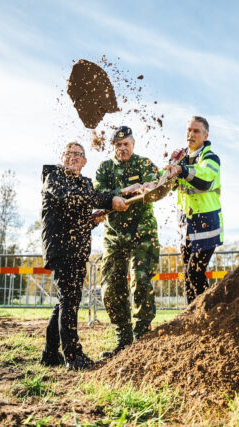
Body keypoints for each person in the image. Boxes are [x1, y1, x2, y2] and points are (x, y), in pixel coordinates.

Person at [40, 142, 128, 370]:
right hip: (61, 248)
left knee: (65, 302)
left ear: (84, 161)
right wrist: (110, 200)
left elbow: (77, 217)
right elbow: (70, 199)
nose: (72, 157)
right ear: (62, 157)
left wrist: (93, 220)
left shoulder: (85, 184)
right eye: (68, 153)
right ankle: (73, 356)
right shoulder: (55, 177)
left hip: (78, 249)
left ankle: (50, 354)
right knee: (69, 301)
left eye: (77, 154)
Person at [94, 126, 160, 358]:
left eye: (127, 144)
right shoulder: (105, 168)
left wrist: (151, 186)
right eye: (118, 145)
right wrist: (122, 191)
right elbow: (98, 194)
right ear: (113, 147)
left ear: (133, 144)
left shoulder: (144, 164)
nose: (123, 149)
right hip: (113, 234)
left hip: (143, 231)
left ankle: (143, 337)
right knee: (111, 287)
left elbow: (156, 182)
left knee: (141, 281)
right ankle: (124, 340)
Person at [165, 116, 223, 304]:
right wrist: (163, 172)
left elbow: (205, 179)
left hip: (207, 224)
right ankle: (198, 316)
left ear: (205, 136)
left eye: (196, 131)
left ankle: (203, 315)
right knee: (191, 277)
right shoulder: (181, 159)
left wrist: (181, 169)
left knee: (193, 273)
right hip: (187, 227)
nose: (191, 134)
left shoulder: (210, 158)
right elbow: (168, 183)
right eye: (189, 130)